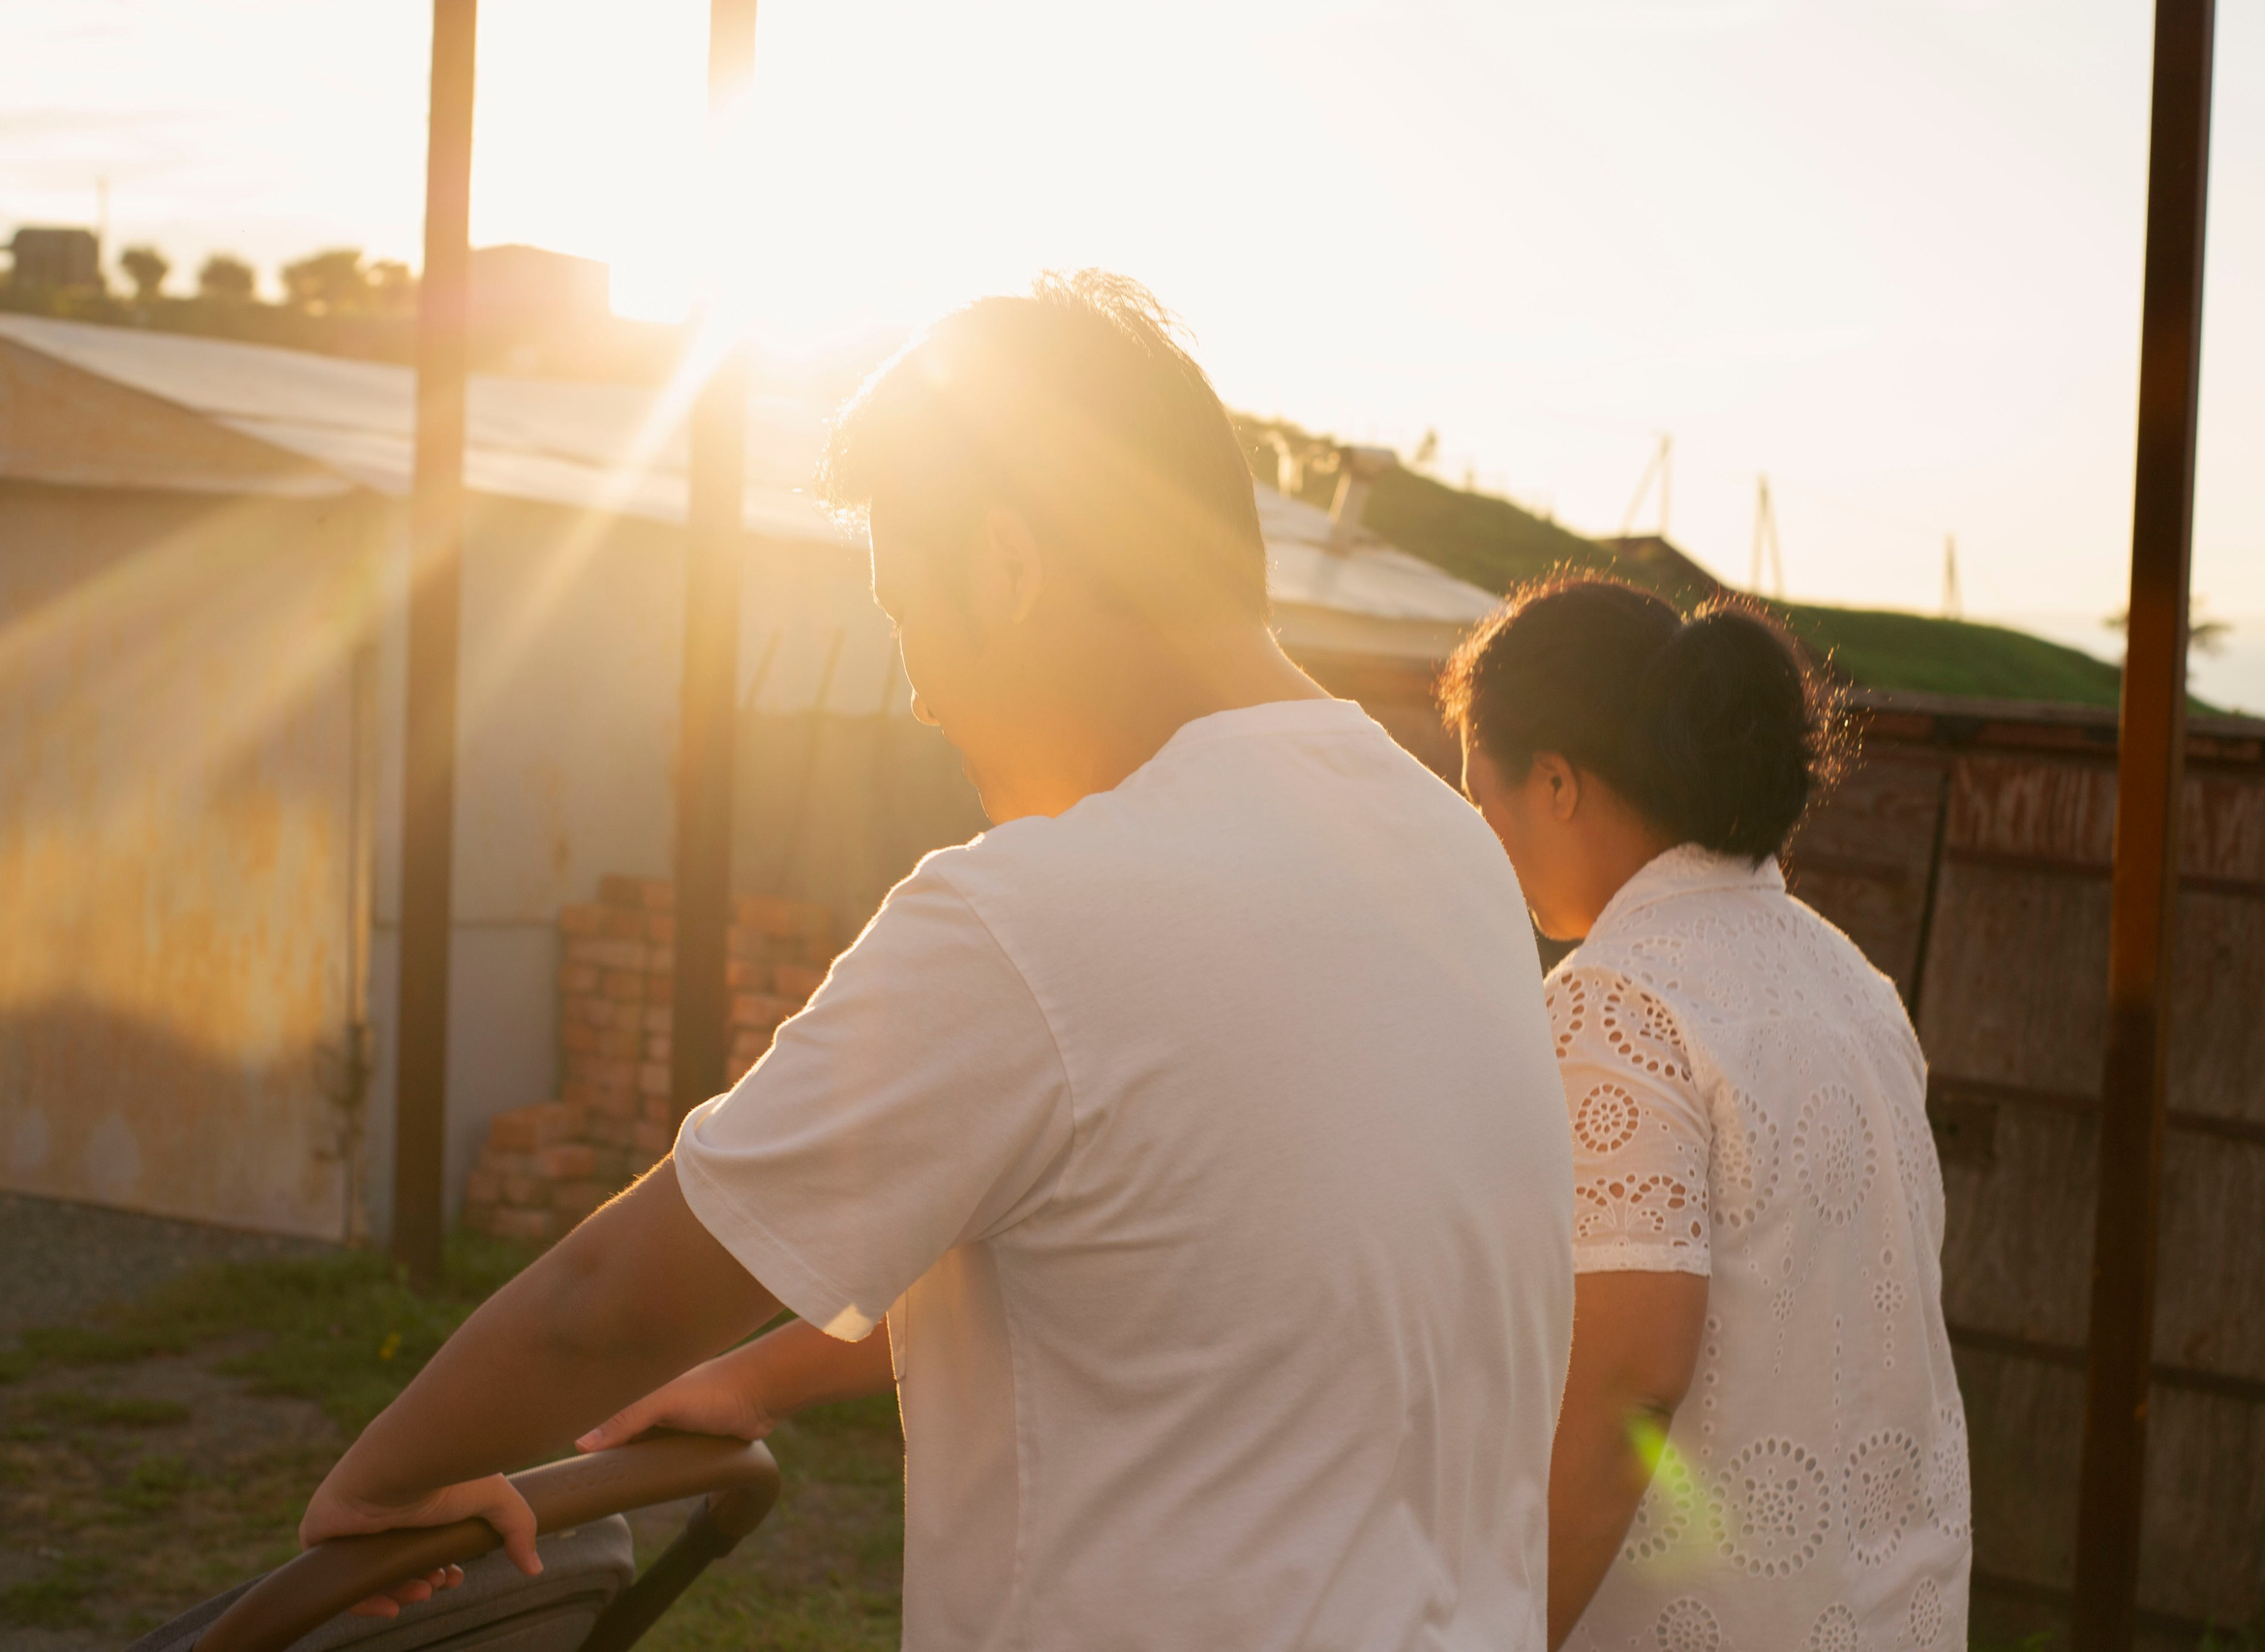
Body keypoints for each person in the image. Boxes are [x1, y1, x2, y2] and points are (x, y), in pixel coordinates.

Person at [300, 272, 1578, 1652]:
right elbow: (1204, 1253)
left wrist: (381, 1487)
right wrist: (767, 1375)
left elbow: (607, 1304)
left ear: (1006, 567)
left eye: (905, 608)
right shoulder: (1450, 859)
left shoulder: (1041, 914)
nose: (914, 691)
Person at [1441, 577, 1971, 1652]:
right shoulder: (1849, 980)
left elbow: (1624, 1382)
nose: (1477, 835)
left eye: (1478, 796)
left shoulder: (1618, 1005)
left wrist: (1502, 1632)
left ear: (1555, 782)